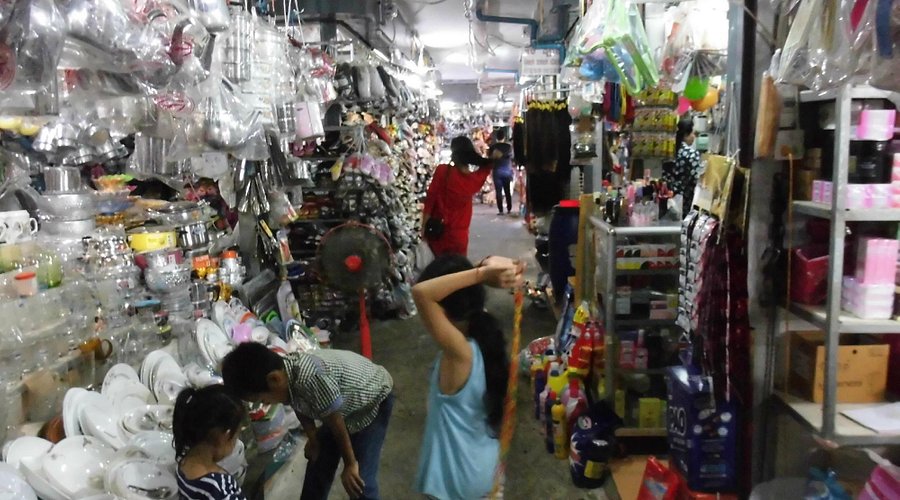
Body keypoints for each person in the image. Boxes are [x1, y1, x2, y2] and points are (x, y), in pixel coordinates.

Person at [413, 255, 525, 500]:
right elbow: (451, 293)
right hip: (485, 469)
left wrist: (481, 275)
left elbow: (421, 293)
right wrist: (483, 274)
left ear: (441, 310)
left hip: (458, 479)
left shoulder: (460, 354)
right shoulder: (481, 338)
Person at [221, 342, 394, 500]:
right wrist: (313, 439)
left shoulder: (310, 378)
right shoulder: (286, 376)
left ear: (274, 379)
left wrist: (350, 464)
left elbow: (335, 420)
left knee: (359, 481)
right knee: (317, 460)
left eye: (261, 399)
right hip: (341, 408)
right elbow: (298, 404)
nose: (264, 404)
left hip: (371, 402)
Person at [173, 385, 247, 500]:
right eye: (235, 437)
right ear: (224, 436)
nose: (235, 443)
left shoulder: (182, 463)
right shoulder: (221, 488)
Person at [423, 136, 493, 257]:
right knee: (458, 267)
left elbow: (430, 200)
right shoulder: (472, 181)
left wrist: (424, 226)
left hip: (438, 232)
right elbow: (486, 168)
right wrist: (493, 159)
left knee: (440, 267)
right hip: (459, 236)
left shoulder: (442, 171)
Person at [663, 119, 701, 217]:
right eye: (692, 133)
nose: (694, 136)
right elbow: (697, 179)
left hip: (668, 201)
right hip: (686, 202)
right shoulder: (692, 154)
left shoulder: (669, 152)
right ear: (685, 135)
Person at [489, 129, 514, 215]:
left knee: (498, 191)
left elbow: (490, 158)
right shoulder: (509, 147)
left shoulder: (493, 147)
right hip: (507, 170)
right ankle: (509, 209)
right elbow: (512, 157)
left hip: (497, 171)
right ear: (504, 137)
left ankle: (501, 210)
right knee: (507, 191)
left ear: (496, 138)